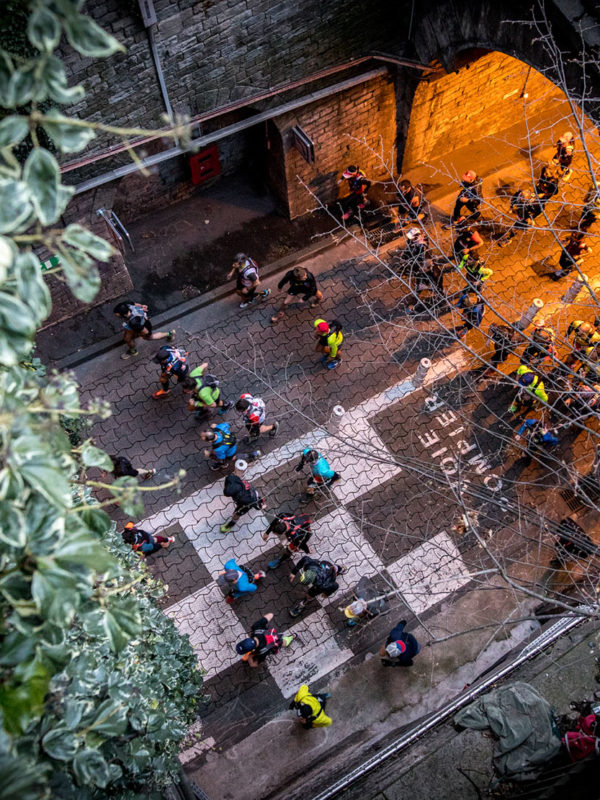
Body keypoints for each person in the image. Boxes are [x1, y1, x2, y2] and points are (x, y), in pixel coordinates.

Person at [220, 468, 266, 533]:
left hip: (249, 501)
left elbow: (254, 503)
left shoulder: (245, 499)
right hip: (250, 494)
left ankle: (231, 525)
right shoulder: (231, 478)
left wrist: (261, 507)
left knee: (236, 514)